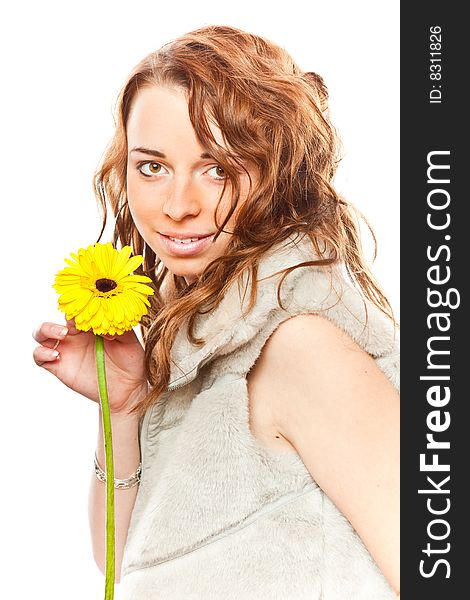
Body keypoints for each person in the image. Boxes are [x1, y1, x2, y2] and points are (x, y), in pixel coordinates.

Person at [32, 25, 400, 599]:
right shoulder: (202, 350)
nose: (178, 206)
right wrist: (124, 411)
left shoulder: (302, 347)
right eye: (152, 166)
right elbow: (124, 565)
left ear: (281, 177)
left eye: (219, 168)